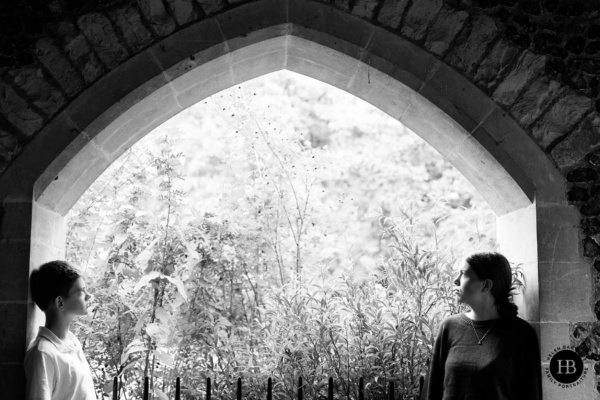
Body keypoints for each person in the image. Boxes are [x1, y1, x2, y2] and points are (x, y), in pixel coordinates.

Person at [421, 252, 542, 400]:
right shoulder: (449, 327)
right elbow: (432, 391)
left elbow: (530, 394)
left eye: (463, 274)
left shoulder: (520, 333)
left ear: (486, 285)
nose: (455, 281)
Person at [25, 260, 97, 400]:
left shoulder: (72, 340)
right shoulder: (43, 354)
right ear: (60, 302)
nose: (89, 296)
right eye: (81, 292)